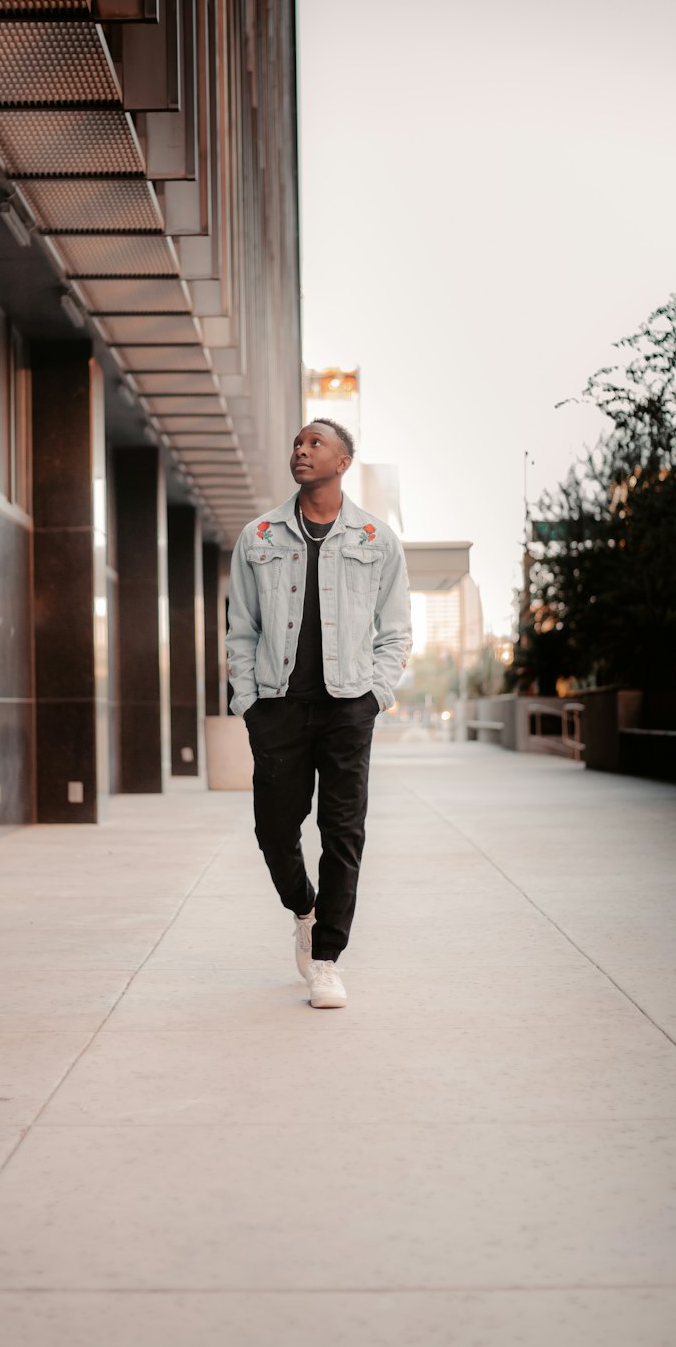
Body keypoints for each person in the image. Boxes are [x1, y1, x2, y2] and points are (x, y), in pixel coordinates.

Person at [225, 419, 412, 1008]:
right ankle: (304, 909)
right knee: (274, 829)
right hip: (277, 708)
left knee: (343, 832)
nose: (301, 451)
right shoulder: (257, 536)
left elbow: (397, 632)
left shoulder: (377, 540)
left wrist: (374, 696)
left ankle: (327, 958)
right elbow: (241, 631)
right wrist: (249, 701)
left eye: (316, 444)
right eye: (298, 443)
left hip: (346, 708)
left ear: (344, 461)